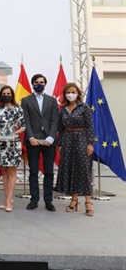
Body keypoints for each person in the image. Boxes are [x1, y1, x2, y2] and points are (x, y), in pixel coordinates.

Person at [21, 73, 60, 212]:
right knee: (33, 172)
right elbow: (25, 120)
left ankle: (48, 201)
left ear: (45, 84)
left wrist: (51, 137)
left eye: (42, 82)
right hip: (33, 140)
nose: (39, 84)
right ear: (32, 84)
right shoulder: (26, 100)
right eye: (37, 82)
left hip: (49, 141)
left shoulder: (52, 101)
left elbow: (55, 120)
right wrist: (30, 137)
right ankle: (34, 200)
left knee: (49, 172)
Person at [56, 82, 96, 216]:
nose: (70, 94)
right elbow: (60, 129)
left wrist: (90, 143)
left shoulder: (84, 107)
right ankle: (74, 200)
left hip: (81, 139)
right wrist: (60, 144)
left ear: (78, 93)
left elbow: (90, 126)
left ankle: (88, 201)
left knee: (83, 168)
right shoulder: (63, 109)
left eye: (73, 92)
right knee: (71, 169)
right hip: (67, 140)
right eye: (68, 92)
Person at [0, 85, 25, 213]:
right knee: (4, 171)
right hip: (1, 144)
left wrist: (15, 133)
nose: (6, 95)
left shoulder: (18, 109)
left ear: (12, 95)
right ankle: (6, 200)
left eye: (8, 93)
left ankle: (10, 200)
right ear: (1, 95)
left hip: (13, 143)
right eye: (4, 93)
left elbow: (23, 126)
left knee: (11, 171)